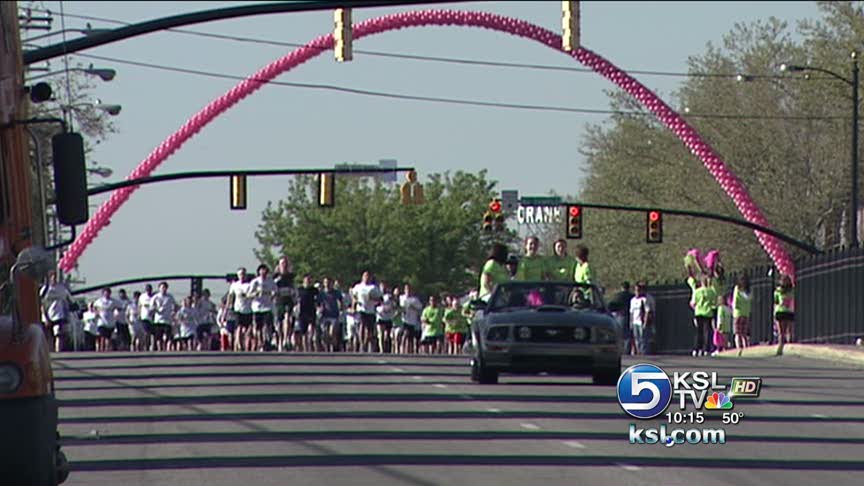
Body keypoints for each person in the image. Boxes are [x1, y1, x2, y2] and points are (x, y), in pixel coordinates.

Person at [39, 271, 73, 352]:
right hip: (47, 315)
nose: (54, 279)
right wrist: (45, 316)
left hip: (59, 315)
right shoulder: (45, 289)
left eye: (55, 277)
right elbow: (41, 304)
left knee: (58, 334)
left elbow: (67, 300)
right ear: (49, 278)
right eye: (52, 277)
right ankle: (50, 352)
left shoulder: (61, 288)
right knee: (49, 336)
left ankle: (58, 351)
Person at [351, 271, 381, 353]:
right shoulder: (358, 287)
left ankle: (365, 342)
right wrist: (354, 306)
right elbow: (353, 296)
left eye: (368, 276)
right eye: (365, 276)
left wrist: (373, 299)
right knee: (361, 326)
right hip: (361, 309)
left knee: (369, 330)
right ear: (362, 277)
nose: (366, 278)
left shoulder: (373, 288)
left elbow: (380, 300)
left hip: (370, 311)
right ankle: (362, 344)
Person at [249, 264, 277, 352]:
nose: (263, 272)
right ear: (259, 272)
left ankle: (267, 341)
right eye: (261, 271)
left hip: (267, 307)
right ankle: (261, 342)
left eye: (265, 271)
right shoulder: (255, 282)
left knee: (267, 325)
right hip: (257, 307)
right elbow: (248, 294)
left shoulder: (270, 281)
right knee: (258, 328)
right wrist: (256, 294)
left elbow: (276, 291)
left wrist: (273, 294)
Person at [273, 257, 296, 352]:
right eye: (282, 264)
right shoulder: (275, 277)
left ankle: (286, 340)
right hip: (279, 301)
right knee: (279, 323)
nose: (284, 265)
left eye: (285, 263)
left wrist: (295, 298)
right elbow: (272, 288)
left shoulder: (291, 276)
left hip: (288, 300)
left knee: (288, 319)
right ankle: (280, 340)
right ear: (279, 265)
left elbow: (294, 288)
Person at [229, 267, 253, 351]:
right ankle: (239, 344)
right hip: (238, 309)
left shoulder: (249, 285)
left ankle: (246, 344)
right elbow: (230, 296)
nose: (242, 276)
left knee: (248, 329)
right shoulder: (234, 285)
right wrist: (228, 307)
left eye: (243, 274)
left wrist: (249, 295)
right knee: (239, 326)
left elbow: (253, 295)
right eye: (240, 274)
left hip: (248, 309)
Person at [692, 277, 716, 357]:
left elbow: (693, 303)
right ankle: (706, 349)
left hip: (698, 312)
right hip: (708, 312)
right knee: (707, 332)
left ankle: (697, 349)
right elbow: (714, 302)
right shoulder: (711, 291)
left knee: (699, 332)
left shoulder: (697, 291)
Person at [318, 277, 344, 352]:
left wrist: (341, 308)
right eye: (326, 282)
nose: (327, 284)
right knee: (325, 333)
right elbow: (318, 303)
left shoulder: (336, 293)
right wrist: (319, 309)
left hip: (334, 315)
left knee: (332, 332)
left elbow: (341, 302)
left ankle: (333, 347)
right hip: (324, 316)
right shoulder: (321, 293)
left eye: (329, 283)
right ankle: (327, 348)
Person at [608, 282, 635, 355]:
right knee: (628, 336)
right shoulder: (632, 296)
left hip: (620, 316)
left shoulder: (617, 296)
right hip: (630, 316)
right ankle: (627, 352)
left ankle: (621, 351)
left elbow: (611, 306)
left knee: (621, 335)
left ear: (621, 287)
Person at [150, 282, 178, 351]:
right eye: (162, 287)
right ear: (159, 288)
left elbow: (175, 305)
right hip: (158, 320)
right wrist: (157, 309)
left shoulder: (170, 296)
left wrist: (174, 312)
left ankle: (166, 348)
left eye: (165, 288)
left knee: (167, 336)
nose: (163, 289)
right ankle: (160, 349)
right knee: (158, 337)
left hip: (167, 320)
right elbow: (151, 307)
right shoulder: (156, 297)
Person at [295, 274, 319, 352]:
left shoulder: (314, 290)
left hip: (311, 312)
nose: (308, 281)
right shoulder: (299, 290)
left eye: (310, 280)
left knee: (311, 330)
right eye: (307, 280)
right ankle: (305, 349)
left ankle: (310, 344)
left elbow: (317, 301)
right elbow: (296, 300)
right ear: (303, 280)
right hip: (302, 313)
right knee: (303, 332)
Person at [628, 282, 653, 355]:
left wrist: (645, 322)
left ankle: (644, 353)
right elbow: (631, 312)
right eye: (636, 290)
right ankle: (639, 352)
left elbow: (647, 311)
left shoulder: (644, 300)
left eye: (638, 290)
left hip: (641, 322)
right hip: (635, 322)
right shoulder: (632, 300)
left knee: (643, 339)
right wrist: (631, 322)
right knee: (636, 339)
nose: (637, 292)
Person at [774, 275, 795, 356]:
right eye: (783, 280)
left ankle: (790, 346)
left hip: (789, 311)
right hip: (780, 311)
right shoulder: (778, 291)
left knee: (789, 330)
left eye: (786, 280)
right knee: (781, 332)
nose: (785, 282)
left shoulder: (792, 290)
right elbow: (776, 302)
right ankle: (780, 347)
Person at [399, 283, 423, 355]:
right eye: (406, 289)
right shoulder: (402, 298)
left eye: (409, 289)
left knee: (410, 338)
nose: (408, 291)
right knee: (404, 335)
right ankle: (402, 350)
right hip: (404, 320)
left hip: (412, 321)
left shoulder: (415, 300)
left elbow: (420, 309)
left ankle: (410, 352)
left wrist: (413, 307)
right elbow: (399, 307)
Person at [93, 288, 118, 352]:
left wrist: (115, 312)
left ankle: (107, 349)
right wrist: (96, 313)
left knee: (108, 337)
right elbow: (94, 307)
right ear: (103, 293)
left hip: (110, 322)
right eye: (105, 293)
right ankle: (101, 349)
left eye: (108, 293)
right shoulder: (99, 301)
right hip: (102, 321)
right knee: (102, 336)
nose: (107, 294)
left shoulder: (113, 301)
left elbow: (119, 307)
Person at [732, 275, 752, 356]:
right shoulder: (749, 291)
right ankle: (746, 348)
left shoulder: (737, 289)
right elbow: (750, 300)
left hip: (738, 313)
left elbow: (735, 300)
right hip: (746, 313)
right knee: (744, 333)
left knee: (737, 333)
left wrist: (734, 307)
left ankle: (739, 349)